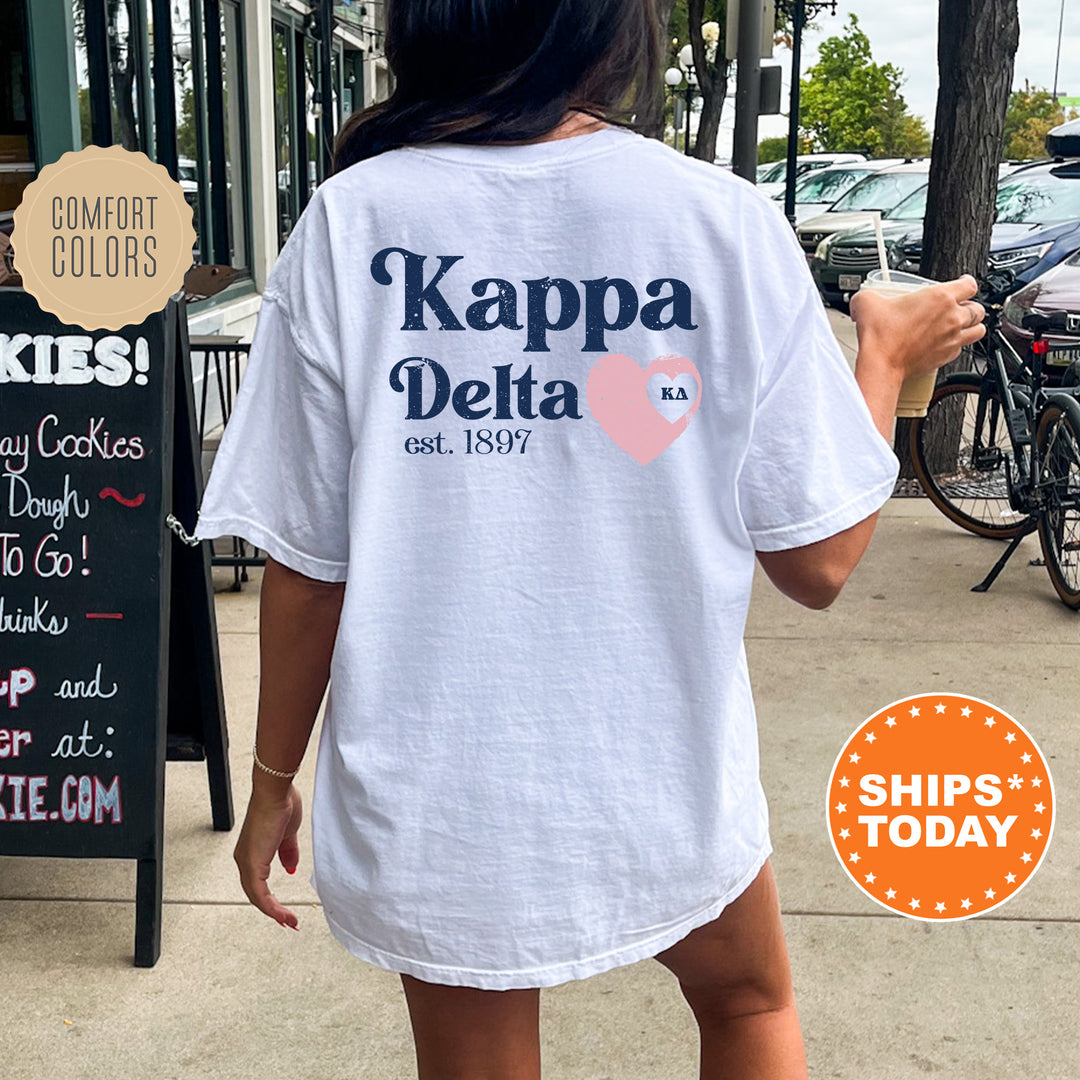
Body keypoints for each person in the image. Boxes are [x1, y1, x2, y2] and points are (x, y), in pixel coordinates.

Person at [194, 2, 986, 1077]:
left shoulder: (350, 222)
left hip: (442, 785)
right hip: (656, 766)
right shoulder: (719, 220)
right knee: (749, 1005)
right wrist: (884, 362)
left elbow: (308, 567)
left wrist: (274, 775)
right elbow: (820, 561)